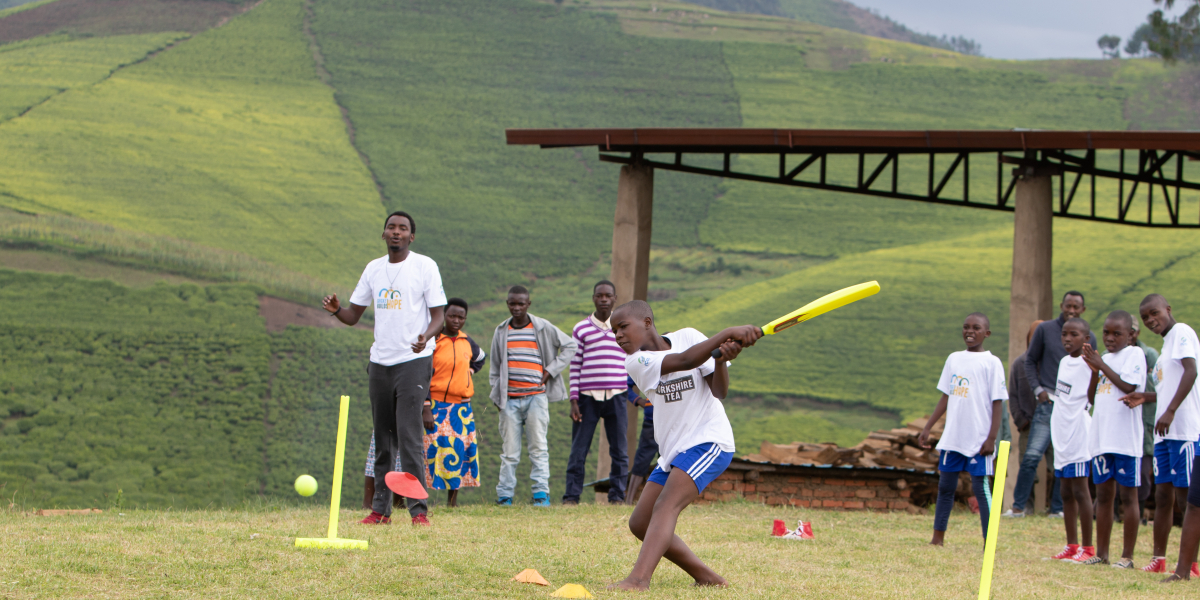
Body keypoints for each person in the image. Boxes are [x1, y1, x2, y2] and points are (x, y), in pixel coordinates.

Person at [609, 300, 758, 590]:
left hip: (708, 440)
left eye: (623, 327)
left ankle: (638, 580)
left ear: (647, 323)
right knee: (639, 522)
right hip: (674, 451)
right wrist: (727, 333)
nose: (618, 336)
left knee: (666, 505)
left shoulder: (689, 336)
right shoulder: (636, 362)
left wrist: (719, 360)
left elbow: (719, 390)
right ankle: (707, 578)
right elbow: (685, 361)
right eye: (614, 331)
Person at [323, 211, 446, 526]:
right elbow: (353, 316)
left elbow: (438, 317)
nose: (396, 232)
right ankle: (381, 510)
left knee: (408, 434)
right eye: (391, 227)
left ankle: (419, 511)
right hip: (380, 363)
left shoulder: (424, 266)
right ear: (383, 234)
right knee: (383, 436)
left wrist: (425, 337)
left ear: (411, 236)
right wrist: (337, 310)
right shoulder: (373, 269)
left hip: (414, 361)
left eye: (403, 228)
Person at [1119, 294, 1200, 578]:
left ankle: (1190, 564)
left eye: (1155, 313)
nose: (1152, 320)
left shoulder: (1182, 333)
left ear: (1168, 309)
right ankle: (1159, 558)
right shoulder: (1166, 346)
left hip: (1185, 431)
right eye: (1146, 318)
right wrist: (1146, 396)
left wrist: (1172, 410)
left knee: (1189, 499)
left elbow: (1192, 371)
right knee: (1163, 496)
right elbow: (1169, 389)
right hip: (1166, 435)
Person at [918, 313, 1006, 546]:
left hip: (978, 439)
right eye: (966, 327)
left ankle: (989, 542)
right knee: (945, 487)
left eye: (976, 328)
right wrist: (928, 427)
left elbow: (998, 403)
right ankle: (937, 539)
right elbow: (945, 396)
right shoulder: (954, 359)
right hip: (953, 438)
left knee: (981, 488)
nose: (970, 331)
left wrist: (991, 438)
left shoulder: (992, 362)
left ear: (986, 333)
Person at [489, 285, 576, 507]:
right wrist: (497, 396)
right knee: (509, 451)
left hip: (536, 397)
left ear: (528, 304)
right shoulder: (501, 331)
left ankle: (541, 495)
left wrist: (550, 371)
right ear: (507, 304)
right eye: (512, 303)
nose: (516, 307)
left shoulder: (542, 327)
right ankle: (504, 496)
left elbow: (570, 345)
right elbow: (495, 366)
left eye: (521, 303)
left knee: (538, 447)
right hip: (509, 399)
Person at [1013, 292, 1097, 517]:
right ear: (1061, 306)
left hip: (1074, 408)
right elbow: (1029, 360)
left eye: (1076, 306)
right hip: (1048, 402)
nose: (1068, 339)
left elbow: (1094, 374)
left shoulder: (1090, 340)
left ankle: (1058, 508)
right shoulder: (1045, 330)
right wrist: (1038, 390)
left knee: (1064, 458)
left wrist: (1087, 405)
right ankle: (1019, 507)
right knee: (1032, 455)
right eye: (1068, 305)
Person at [1081, 311, 1146, 567]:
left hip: (1124, 440)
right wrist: (1094, 370)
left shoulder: (1134, 355)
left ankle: (1127, 557)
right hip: (1101, 438)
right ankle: (1103, 554)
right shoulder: (1104, 358)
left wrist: (1101, 365)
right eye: (1106, 332)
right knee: (1104, 496)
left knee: (1128, 497)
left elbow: (1130, 388)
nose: (1109, 338)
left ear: (1131, 334)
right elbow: (1092, 398)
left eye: (1116, 333)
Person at [563, 280, 629, 505]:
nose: (603, 299)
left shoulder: (623, 327)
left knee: (619, 450)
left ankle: (618, 496)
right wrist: (574, 399)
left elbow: (631, 359)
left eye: (608, 296)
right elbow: (575, 364)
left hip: (617, 395)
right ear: (593, 298)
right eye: (599, 295)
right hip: (587, 398)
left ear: (615, 299)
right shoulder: (581, 328)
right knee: (579, 450)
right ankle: (571, 496)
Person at [423, 297, 486, 508]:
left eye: (461, 317)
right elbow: (422, 372)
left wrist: (470, 370)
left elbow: (481, 357)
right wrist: (425, 405)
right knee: (430, 451)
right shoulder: (433, 340)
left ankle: (452, 502)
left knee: (458, 452)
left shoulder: (467, 341)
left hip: (461, 408)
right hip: (436, 405)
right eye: (452, 316)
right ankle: (421, 499)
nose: (456, 320)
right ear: (443, 316)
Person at [1049, 317, 1096, 563]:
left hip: (1078, 433)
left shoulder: (1090, 365)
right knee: (1065, 491)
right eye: (1065, 334)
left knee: (1080, 490)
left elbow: (1090, 398)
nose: (1067, 339)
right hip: (1061, 432)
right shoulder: (1064, 362)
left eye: (1074, 335)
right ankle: (1071, 545)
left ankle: (1088, 548)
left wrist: (1096, 371)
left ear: (1086, 339)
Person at [1002, 320, 1043, 518]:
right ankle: (1026, 506)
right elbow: (1013, 395)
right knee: (1027, 466)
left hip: (1053, 422)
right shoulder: (1019, 363)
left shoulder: (1052, 364)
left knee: (1057, 466)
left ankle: (1057, 508)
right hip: (1029, 425)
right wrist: (1021, 421)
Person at [1132, 321, 1160, 523]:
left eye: (1132, 331)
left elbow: (1160, 389)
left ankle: (1140, 513)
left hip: (1146, 421)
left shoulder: (1149, 355)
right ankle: (1115, 513)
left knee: (1143, 472)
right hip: (1123, 422)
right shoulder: (1110, 356)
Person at [625, 376, 659, 506]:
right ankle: (629, 501)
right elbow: (625, 384)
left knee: (668, 461)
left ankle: (664, 501)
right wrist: (639, 400)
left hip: (672, 420)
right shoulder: (648, 363)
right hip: (651, 420)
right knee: (642, 460)